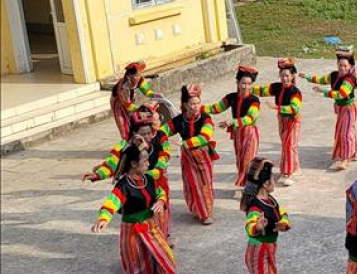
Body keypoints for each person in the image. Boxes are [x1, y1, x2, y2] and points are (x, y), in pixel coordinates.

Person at [91, 138, 195, 274]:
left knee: (165, 256)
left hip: (151, 226)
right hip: (131, 230)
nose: (148, 163)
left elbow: (160, 193)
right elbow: (112, 202)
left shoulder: (149, 179)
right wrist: (104, 218)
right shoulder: (123, 185)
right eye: (145, 160)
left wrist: (161, 201)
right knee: (133, 262)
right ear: (133, 164)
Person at [84, 110, 172, 238]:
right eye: (144, 134)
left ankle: (163, 237)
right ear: (135, 134)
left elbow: (163, 160)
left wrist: (151, 177)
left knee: (160, 211)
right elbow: (113, 163)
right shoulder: (125, 148)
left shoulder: (159, 139)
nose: (148, 136)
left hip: (155, 180)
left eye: (149, 132)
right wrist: (99, 175)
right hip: (137, 182)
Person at [240, 157, 297, 274]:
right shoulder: (255, 206)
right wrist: (257, 226)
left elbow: (283, 213)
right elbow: (250, 225)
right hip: (258, 252)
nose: (274, 181)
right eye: (272, 179)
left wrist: (283, 224)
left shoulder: (270, 200)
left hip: (268, 250)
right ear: (265, 184)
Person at [160, 84, 218, 225]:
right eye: (192, 104)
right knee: (191, 184)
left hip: (203, 156)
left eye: (198, 103)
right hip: (187, 157)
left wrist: (185, 143)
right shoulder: (180, 120)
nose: (196, 106)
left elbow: (205, 136)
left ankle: (205, 212)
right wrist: (160, 138)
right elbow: (163, 131)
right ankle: (198, 210)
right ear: (185, 105)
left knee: (204, 184)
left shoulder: (205, 118)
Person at [301, 48, 357, 171]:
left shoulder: (350, 80)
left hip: (348, 109)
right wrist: (307, 77)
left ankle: (345, 159)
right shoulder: (334, 75)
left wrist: (323, 91)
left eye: (345, 66)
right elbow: (321, 80)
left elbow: (341, 94)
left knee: (345, 133)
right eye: (340, 65)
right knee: (348, 131)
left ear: (350, 67)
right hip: (340, 108)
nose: (342, 68)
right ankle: (355, 153)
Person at [204, 65, 262, 186]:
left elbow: (250, 118)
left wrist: (232, 122)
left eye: (249, 84)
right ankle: (246, 184)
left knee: (248, 160)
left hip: (250, 133)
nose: (245, 87)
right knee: (240, 160)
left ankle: (250, 185)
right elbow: (216, 108)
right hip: (238, 134)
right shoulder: (231, 97)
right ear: (237, 82)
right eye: (243, 83)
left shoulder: (254, 100)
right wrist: (198, 108)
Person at [253, 58, 302, 186]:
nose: (284, 78)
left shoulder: (296, 92)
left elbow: (294, 108)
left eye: (287, 76)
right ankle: (295, 167)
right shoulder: (277, 87)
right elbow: (262, 90)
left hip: (292, 121)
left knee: (289, 146)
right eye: (282, 75)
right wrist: (248, 88)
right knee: (287, 145)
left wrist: (276, 107)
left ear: (292, 76)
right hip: (282, 120)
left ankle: (289, 173)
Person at [110, 61, 160, 140]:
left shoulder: (139, 80)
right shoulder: (124, 87)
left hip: (129, 101)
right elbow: (128, 106)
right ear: (129, 75)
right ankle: (126, 141)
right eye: (136, 75)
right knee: (123, 124)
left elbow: (147, 92)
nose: (138, 77)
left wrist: (156, 95)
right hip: (119, 103)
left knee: (134, 121)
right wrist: (140, 109)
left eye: (139, 75)